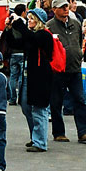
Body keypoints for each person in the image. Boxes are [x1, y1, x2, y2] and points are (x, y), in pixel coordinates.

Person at [46, 0, 86, 143]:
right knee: (56, 101)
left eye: (66, 6)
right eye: (62, 7)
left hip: (75, 69)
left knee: (80, 99)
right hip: (58, 71)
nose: (66, 9)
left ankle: (84, 132)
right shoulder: (49, 26)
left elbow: (79, 42)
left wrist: (78, 55)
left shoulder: (76, 24)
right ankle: (59, 133)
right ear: (54, 10)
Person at [11, 8, 53, 152]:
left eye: (31, 18)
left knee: (39, 109)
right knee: (25, 106)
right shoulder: (32, 34)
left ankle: (40, 142)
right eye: (28, 18)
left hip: (41, 77)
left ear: (39, 21)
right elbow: (15, 43)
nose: (28, 21)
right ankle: (35, 136)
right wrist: (9, 28)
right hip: (28, 76)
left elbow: (32, 39)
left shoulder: (44, 35)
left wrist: (19, 23)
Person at [5, 4, 27, 105]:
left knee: (13, 76)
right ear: (23, 12)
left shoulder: (10, 23)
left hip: (13, 53)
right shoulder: (23, 23)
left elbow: (7, 38)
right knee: (22, 77)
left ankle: (12, 98)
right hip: (22, 52)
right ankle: (21, 98)